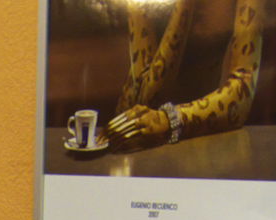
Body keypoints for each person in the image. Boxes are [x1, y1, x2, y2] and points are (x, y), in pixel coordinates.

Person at [105, 0, 262, 151]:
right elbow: (149, 99)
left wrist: (170, 119)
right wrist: (184, 7)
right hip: (132, 136)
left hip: (199, 142)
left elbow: (242, 90)